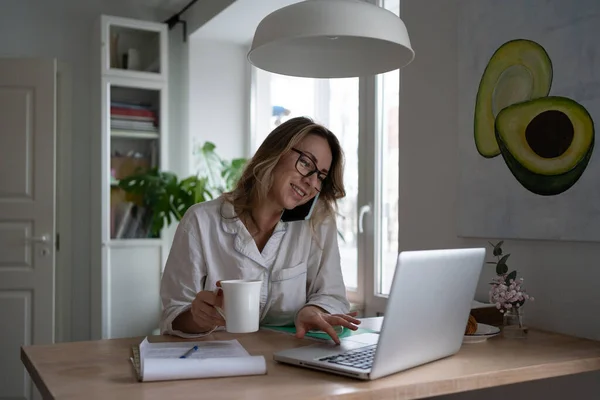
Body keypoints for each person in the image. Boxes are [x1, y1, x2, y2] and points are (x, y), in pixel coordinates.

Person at [159, 116, 360, 344]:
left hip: (289, 360)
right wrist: (198, 318)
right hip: (215, 361)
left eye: (321, 176)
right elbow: (172, 313)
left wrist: (314, 310)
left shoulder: (317, 222)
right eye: (305, 163)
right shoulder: (201, 221)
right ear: (274, 153)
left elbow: (331, 294)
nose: (312, 183)